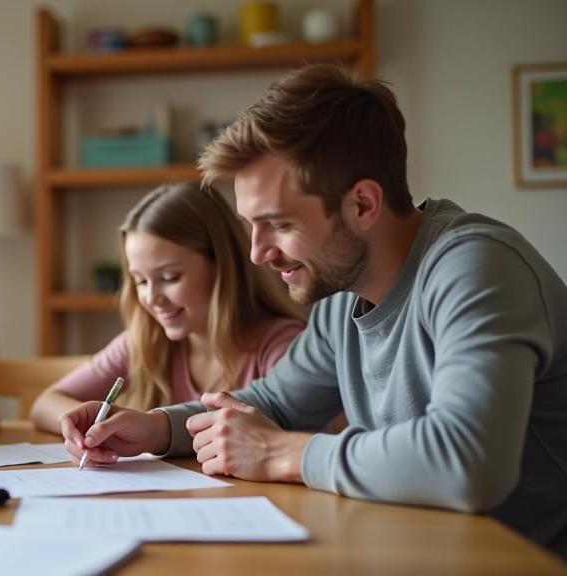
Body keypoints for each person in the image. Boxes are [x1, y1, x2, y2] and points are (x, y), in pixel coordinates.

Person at [57, 64, 567, 559]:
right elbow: (274, 403)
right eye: (251, 226)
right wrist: (155, 429)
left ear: (362, 204)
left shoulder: (477, 267)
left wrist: (279, 452)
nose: (257, 253)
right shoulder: (342, 296)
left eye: (278, 224)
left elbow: (469, 463)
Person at [30, 182, 305, 434]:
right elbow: (45, 404)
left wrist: (148, 430)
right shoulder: (145, 341)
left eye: (169, 277)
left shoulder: (283, 346)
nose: (151, 298)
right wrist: (96, 430)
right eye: (140, 281)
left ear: (223, 266)